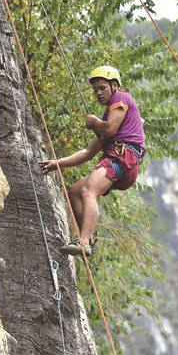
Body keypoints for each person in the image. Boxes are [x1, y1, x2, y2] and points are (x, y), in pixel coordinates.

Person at [40, 66, 146, 256]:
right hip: (123, 162)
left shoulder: (121, 98)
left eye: (102, 88)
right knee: (75, 191)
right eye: (95, 90)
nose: (98, 93)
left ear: (114, 86)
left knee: (89, 190)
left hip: (122, 157)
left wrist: (95, 122)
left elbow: (110, 128)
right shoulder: (107, 118)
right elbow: (88, 152)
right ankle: (86, 238)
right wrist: (58, 163)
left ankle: (83, 242)